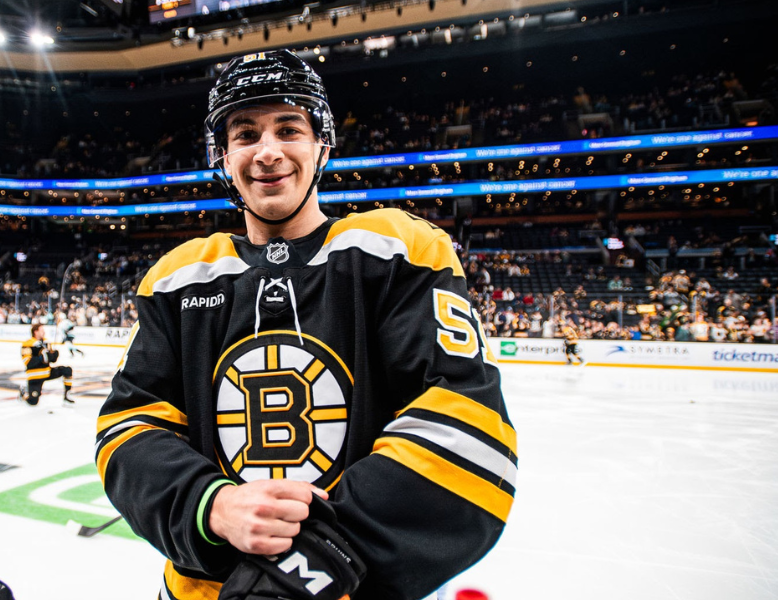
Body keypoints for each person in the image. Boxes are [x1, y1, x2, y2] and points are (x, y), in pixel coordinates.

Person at [95, 50, 515, 600]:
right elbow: (126, 427)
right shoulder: (178, 278)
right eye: (245, 134)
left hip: (358, 583)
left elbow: (466, 420)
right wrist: (213, 506)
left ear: (322, 143)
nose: (267, 152)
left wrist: (315, 563)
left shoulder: (398, 249)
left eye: (288, 128)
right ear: (223, 156)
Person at [19, 323, 73, 407]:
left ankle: (67, 395)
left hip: (47, 372)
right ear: (35, 332)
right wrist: (41, 358)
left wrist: (54, 355)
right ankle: (23, 393)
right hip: (35, 376)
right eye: (42, 330)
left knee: (67, 370)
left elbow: (51, 360)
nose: (44, 332)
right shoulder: (28, 344)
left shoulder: (46, 342)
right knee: (33, 401)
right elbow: (28, 362)